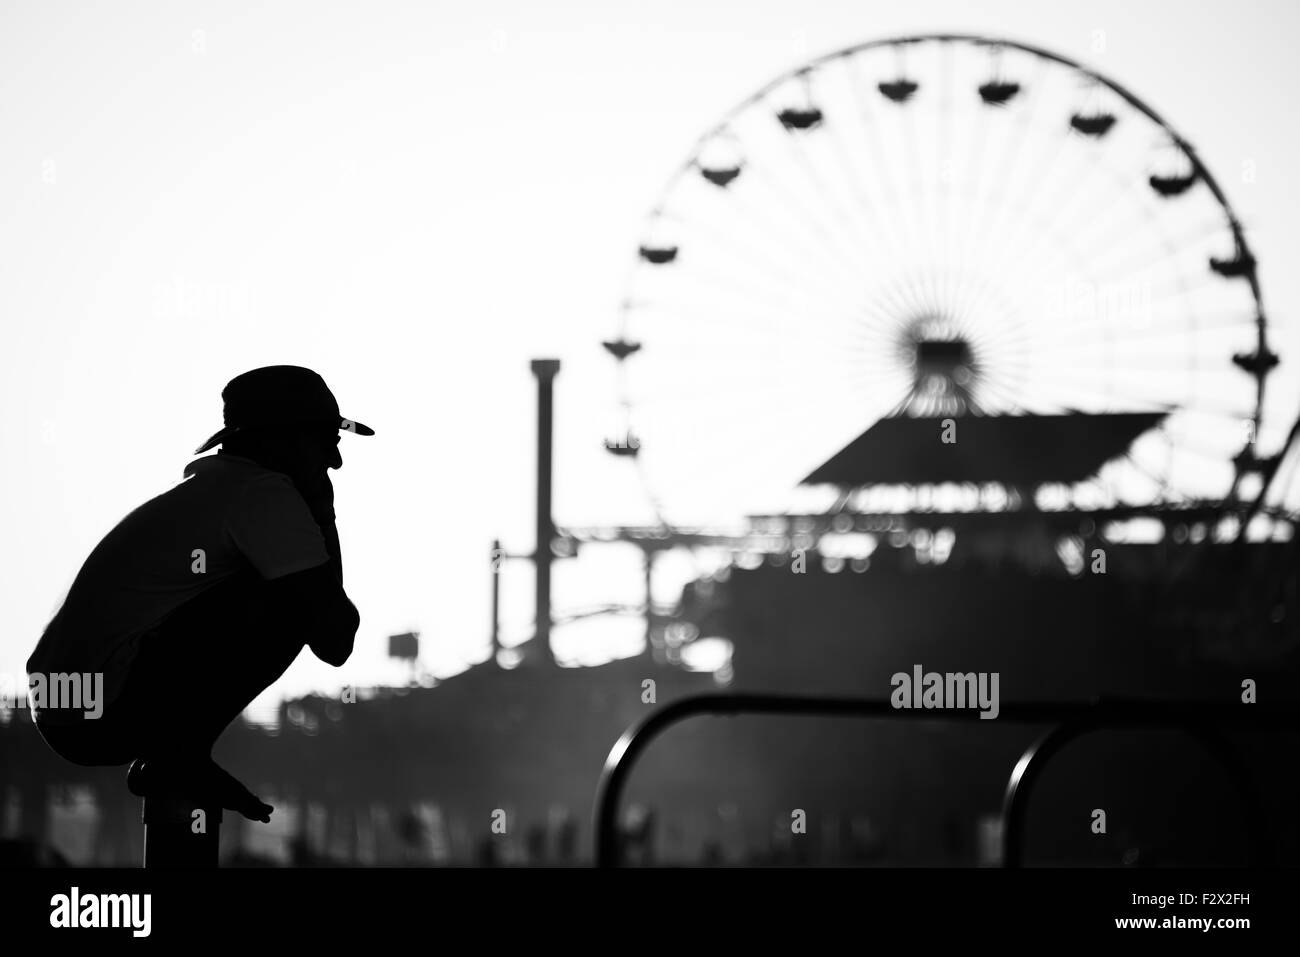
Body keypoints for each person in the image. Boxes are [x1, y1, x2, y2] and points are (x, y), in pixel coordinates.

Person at [26, 366, 373, 822]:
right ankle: (180, 758)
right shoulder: (264, 495)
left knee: (295, 588)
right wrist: (323, 514)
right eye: (327, 441)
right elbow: (334, 637)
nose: (335, 461)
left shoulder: (217, 489)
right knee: (294, 600)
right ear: (282, 440)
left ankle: (175, 757)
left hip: (60, 704)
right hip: (98, 708)